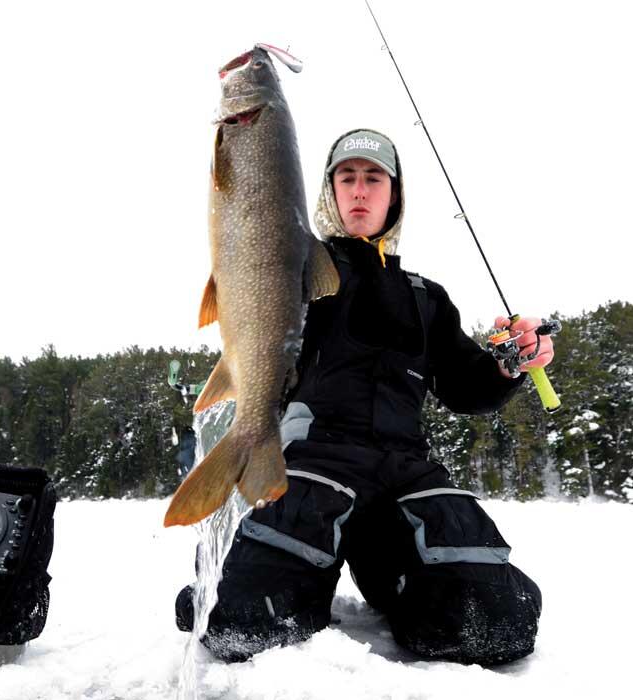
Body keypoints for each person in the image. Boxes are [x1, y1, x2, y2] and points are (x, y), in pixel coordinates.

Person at [175, 128, 552, 666]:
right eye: (346, 177)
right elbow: (249, 254)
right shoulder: (298, 271)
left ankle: (388, 570)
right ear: (329, 190)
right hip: (315, 462)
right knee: (241, 624)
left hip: (407, 473)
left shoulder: (428, 298)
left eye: (373, 178)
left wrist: (510, 361)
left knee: (496, 623)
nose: (359, 190)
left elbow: (469, 388)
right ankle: (274, 563)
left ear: (393, 195)